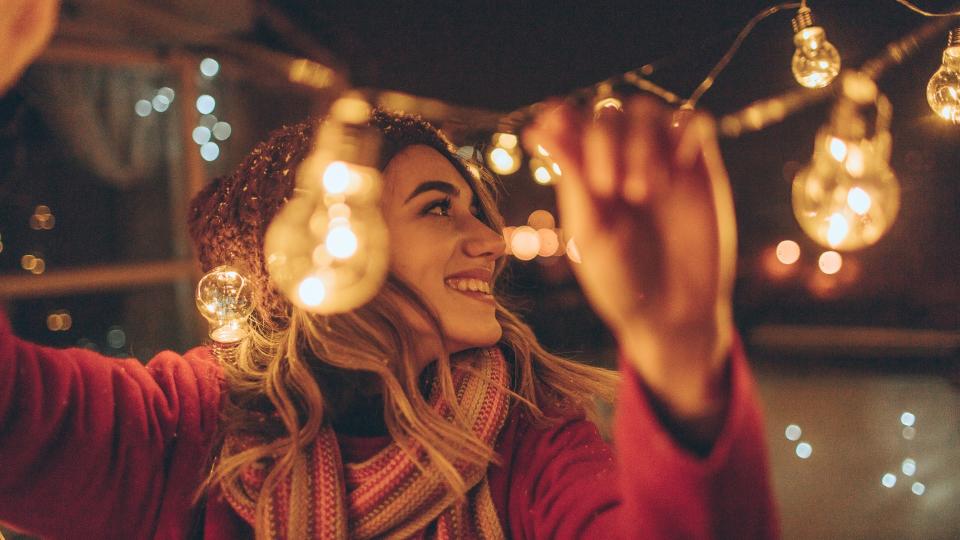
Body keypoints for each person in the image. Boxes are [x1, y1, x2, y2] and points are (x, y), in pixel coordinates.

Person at [0, 4, 777, 538]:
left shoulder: (532, 443)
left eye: (478, 208)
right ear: (317, 238)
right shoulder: (185, 430)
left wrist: (681, 346)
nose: (493, 241)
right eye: (440, 207)